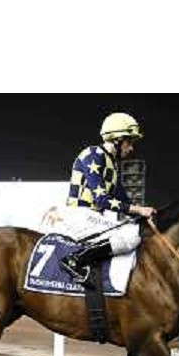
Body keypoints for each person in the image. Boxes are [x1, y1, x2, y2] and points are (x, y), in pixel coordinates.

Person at [59, 112, 157, 284]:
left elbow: (124, 201)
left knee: (136, 230)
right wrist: (140, 210)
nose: (131, 148)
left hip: (94, 216)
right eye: (129, 142)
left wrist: (144, 216)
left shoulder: (111, 163)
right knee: (129, 238)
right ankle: (73, 260)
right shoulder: (93, 154)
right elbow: (102, 200)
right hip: (79, 214)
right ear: (117, 139)